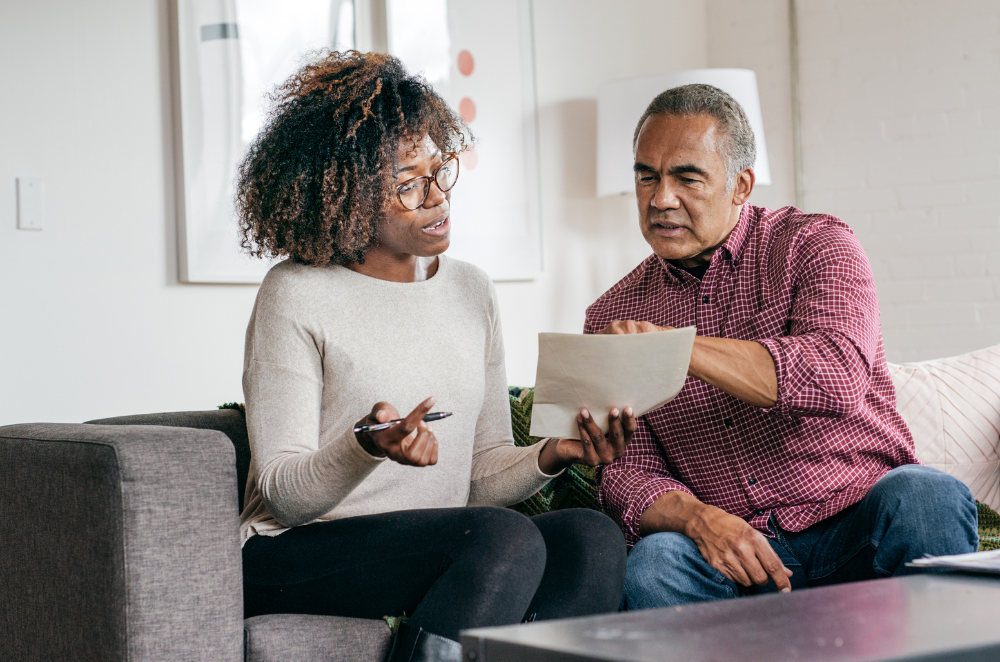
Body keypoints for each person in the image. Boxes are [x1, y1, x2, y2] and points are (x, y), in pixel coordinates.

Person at [234, 51, 630, 662]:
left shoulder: (471, 289)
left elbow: (480, 472)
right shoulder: (296, 293)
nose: (436, 196)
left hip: (442, 539)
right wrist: (366, 445)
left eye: (439, 169)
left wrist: (554, 454)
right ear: (345, 195)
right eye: (407, 183)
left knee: (589, 536)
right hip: (296, 550)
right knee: (501, 540)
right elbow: (282, 491)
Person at [586, 84, 979, 609]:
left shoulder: (815, 244)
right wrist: (699, 519)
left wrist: (672, 350)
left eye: (687, 177)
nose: (661, 199)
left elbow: (834, 374)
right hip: (737, 550)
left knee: (929, 497)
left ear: (741, 185)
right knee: (656, 565)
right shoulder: (610, 316)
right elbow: (626, 472)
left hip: (856, 522)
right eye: (646, 176)